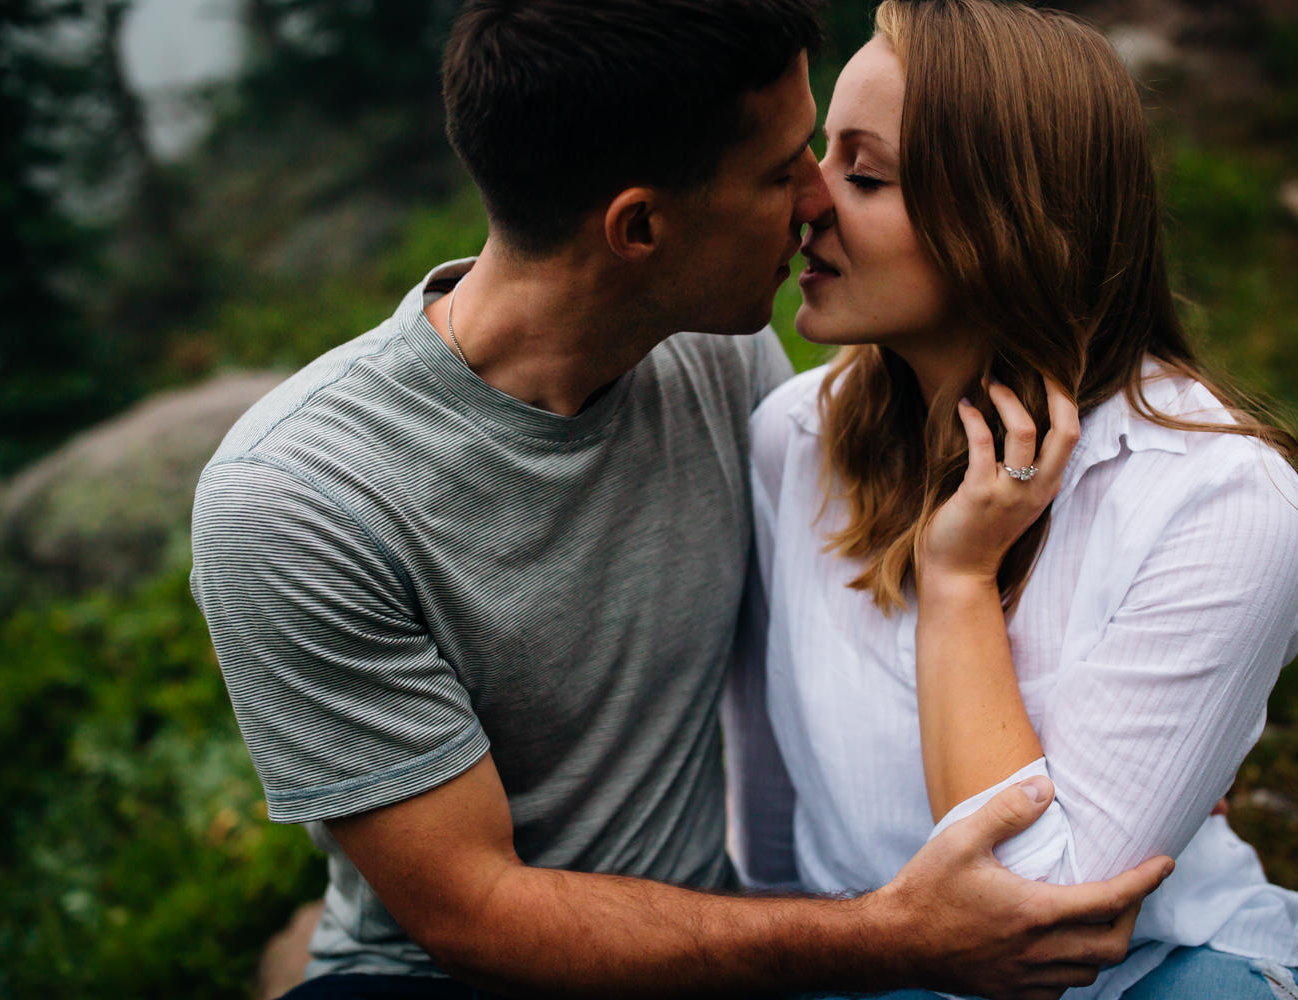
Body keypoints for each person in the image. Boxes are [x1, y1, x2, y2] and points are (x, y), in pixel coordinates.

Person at [191, 2, 1174, 998]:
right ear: (641, 226)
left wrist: (1133, 731)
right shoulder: (298, 496)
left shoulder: (724, 351)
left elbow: (855, 605)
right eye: (782, 169)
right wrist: (900, 935)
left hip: (728, 937)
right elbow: (471, 914)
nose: (815, 200)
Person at [731, 1, 1298, 998]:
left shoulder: (1217, 500)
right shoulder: (793, 437)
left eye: (865, 174)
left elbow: (1042, 926)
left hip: (1147, 974)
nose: (809, 200)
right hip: (866, 961)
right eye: (824, 153)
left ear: (1007, 227)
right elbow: (773, 797)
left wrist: (955, 579)